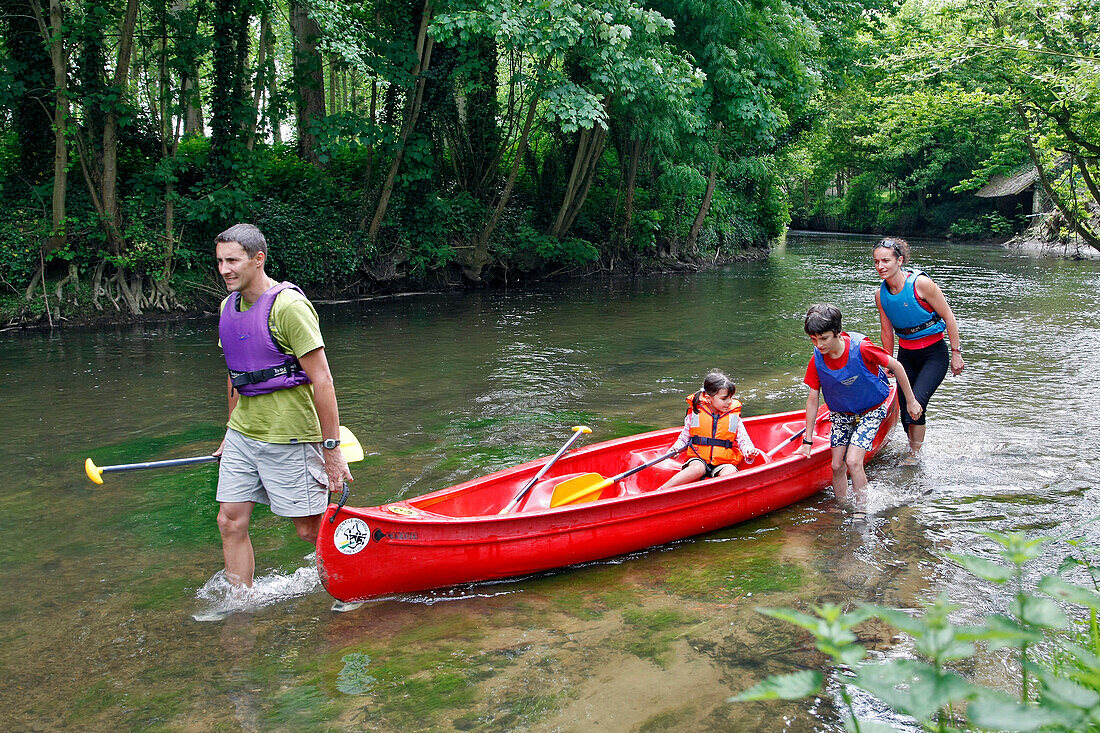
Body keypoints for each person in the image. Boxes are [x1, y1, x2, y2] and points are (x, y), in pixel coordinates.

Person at [212, 223, 353, 590]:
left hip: (290, 434)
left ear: (258, 259)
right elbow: (236, 373)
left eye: (233, 261)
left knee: (308, 529)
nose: (225, 269)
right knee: (229, 521)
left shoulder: (289, 307)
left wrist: (332, 450)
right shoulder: (228, 307)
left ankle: (359, 575)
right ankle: (238, 606)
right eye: (220, 262)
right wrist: (230, 431)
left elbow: (322, 379)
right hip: (244, 434)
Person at [793, 304, 922, 513]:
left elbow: (896, 366)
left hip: (872, 409)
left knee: (853, 461)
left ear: (837, 332)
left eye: (823, 338)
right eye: (813, 340)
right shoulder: (816, 361)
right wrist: (807, 441)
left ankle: (862, 511)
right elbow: (813, 399)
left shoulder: (862, 348)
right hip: (842, 413)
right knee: (836, 465)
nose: (818, 345)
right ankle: (843, 506)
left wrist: (911, 400)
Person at [872, 237, 964, 465]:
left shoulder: (921, 284)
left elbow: (948, 316)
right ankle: (913, 446)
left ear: (899, 260)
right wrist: (888, 363)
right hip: (906, 356)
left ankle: (915, 455)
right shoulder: (880, 295)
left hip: (934, 354)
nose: (880, 266)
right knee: (905, 412)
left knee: (917, 403)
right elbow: (887, 333)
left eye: (885, 260)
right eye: (876, 262)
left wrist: (956, 353)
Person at [658, 371, 760, 491]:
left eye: (730, 398)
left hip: (723, 462)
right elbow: (684, 437)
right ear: (708, 398)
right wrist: (675, 449)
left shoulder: (734, 417)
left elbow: (744, 440)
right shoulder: (696, 413)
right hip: (698, 457)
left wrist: (749, 451)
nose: (729, 402)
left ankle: (716, 496)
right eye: (724, 398)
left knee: (730, 472)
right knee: (698, 468)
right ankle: (662, 490)